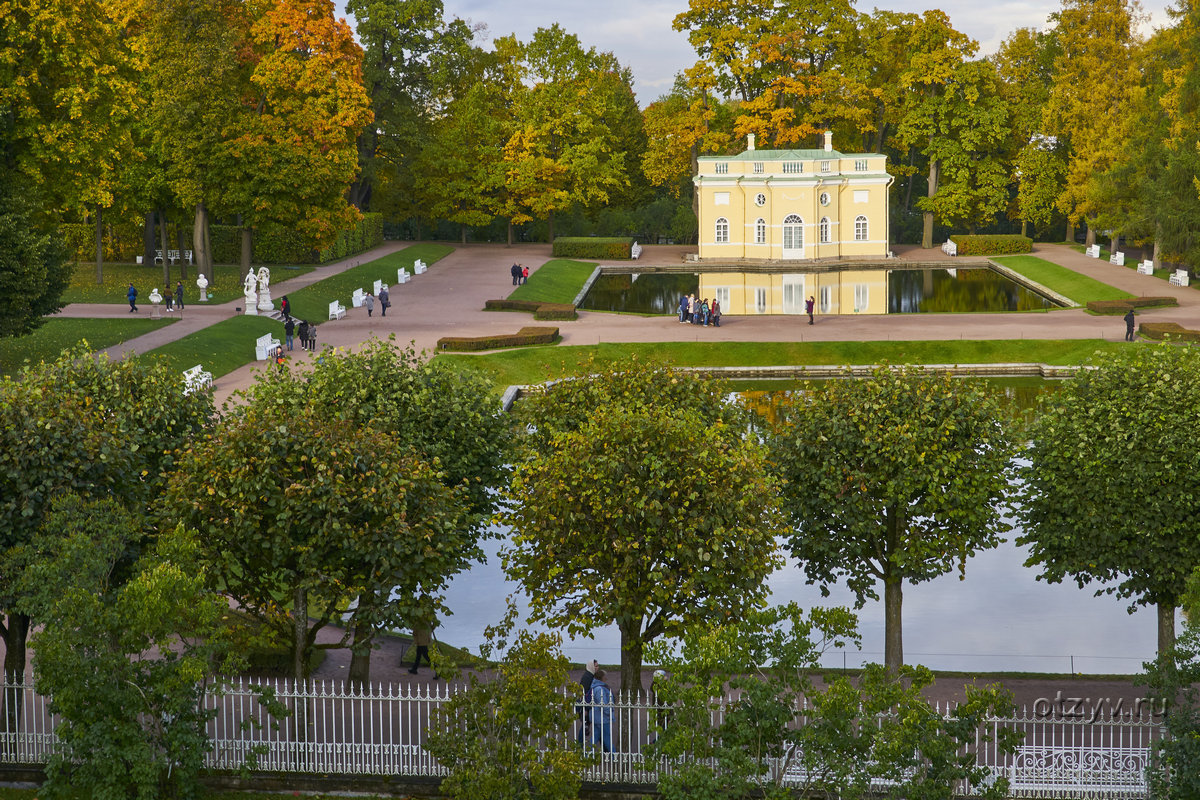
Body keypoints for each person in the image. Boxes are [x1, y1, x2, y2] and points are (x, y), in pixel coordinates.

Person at [589, 669, 614, 753]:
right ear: (602, 678)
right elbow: (602, 704)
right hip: (602, 718)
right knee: (607, 738)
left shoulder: (595, 687)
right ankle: (615, 757)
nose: (606, 679)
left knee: (595, 737)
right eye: (605, 677)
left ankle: (587, 754)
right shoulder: (600, 689)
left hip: (597, 717)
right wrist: (609, 713)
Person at [576, 659, 598, 745]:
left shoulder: (590, 675)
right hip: (585, 705)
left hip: (587, 704)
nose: (597, 668)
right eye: (596, 666)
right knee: (585, 725)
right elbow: (583, 692)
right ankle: (580, 744)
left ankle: (581, 744)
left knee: (586, 725)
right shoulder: (587, 677)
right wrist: (584, 708)